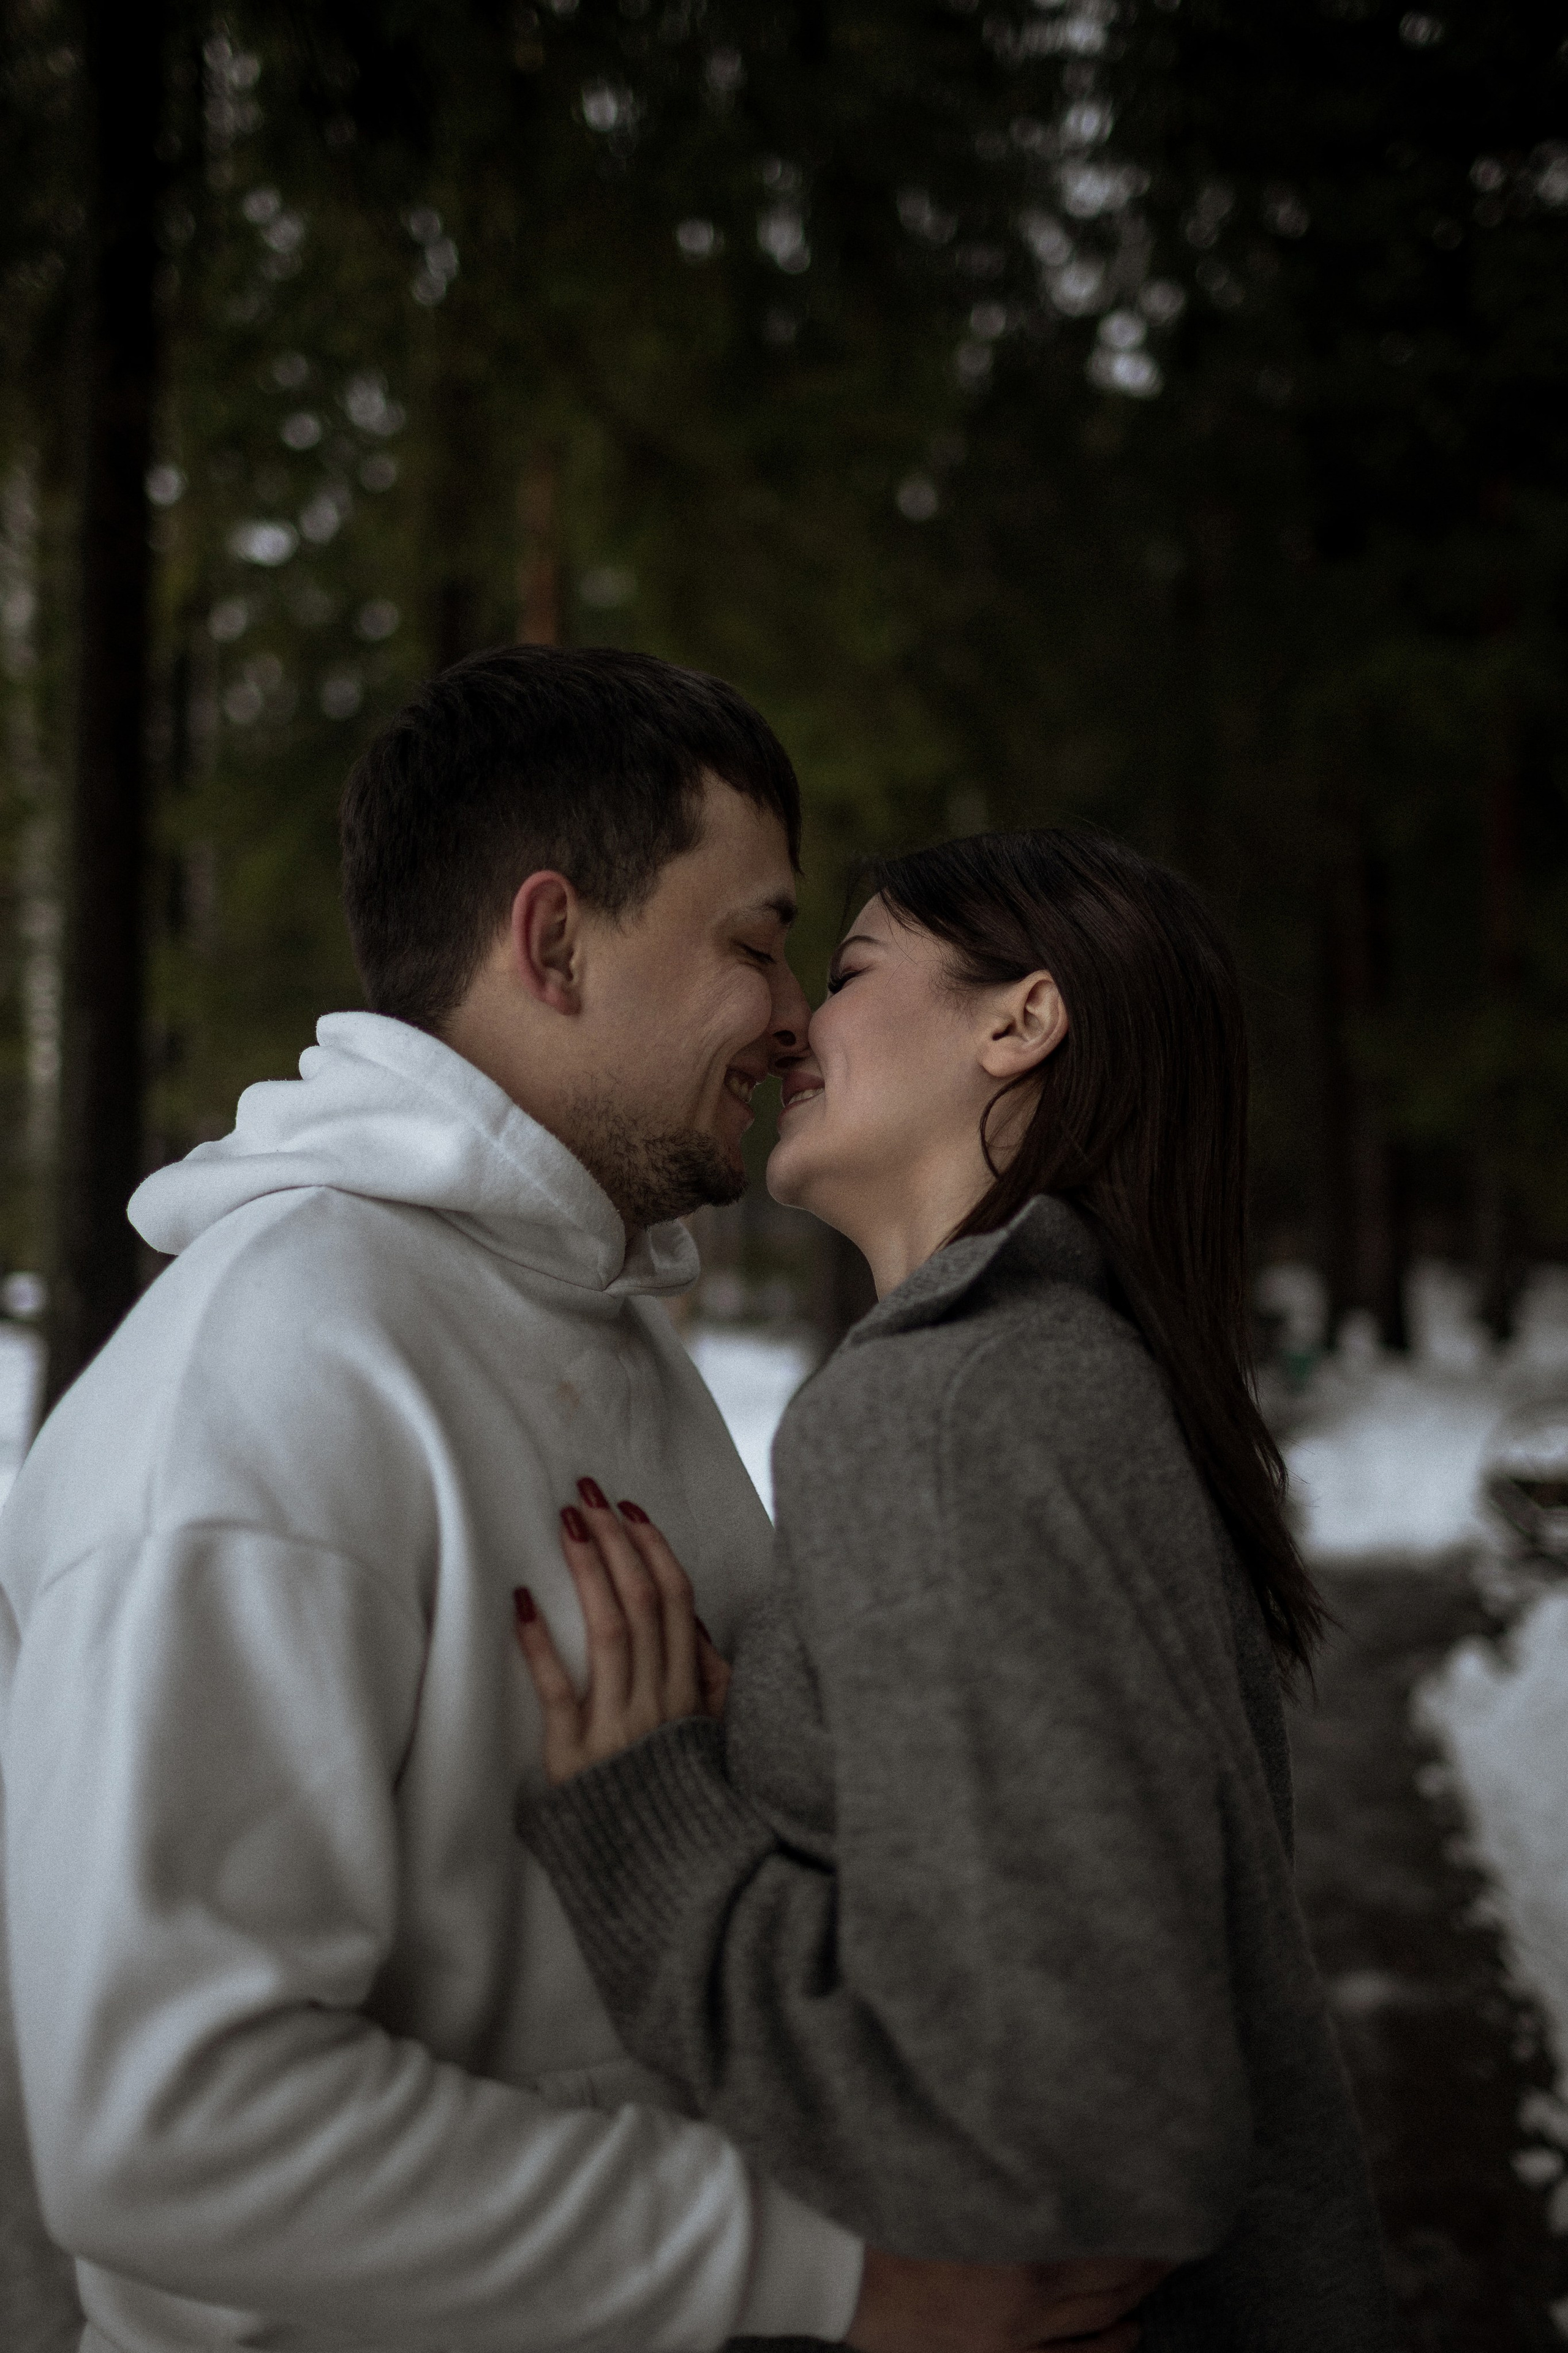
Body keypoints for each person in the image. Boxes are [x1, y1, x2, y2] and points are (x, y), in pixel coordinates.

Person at [0, 649, 1151, 2353]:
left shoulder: (599, 1325)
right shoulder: (257, 1388)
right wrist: (831, 2274)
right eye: (754, 942)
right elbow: (173, 2122)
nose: (790, 1015)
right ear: (552, 943)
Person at [513, 829, 1398, 2352]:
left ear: (1018, 1021)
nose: (793, 1021)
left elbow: (1074, 2127)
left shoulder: (946, 1408)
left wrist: (657, 1837)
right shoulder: (1078, 1375)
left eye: (850, 972)